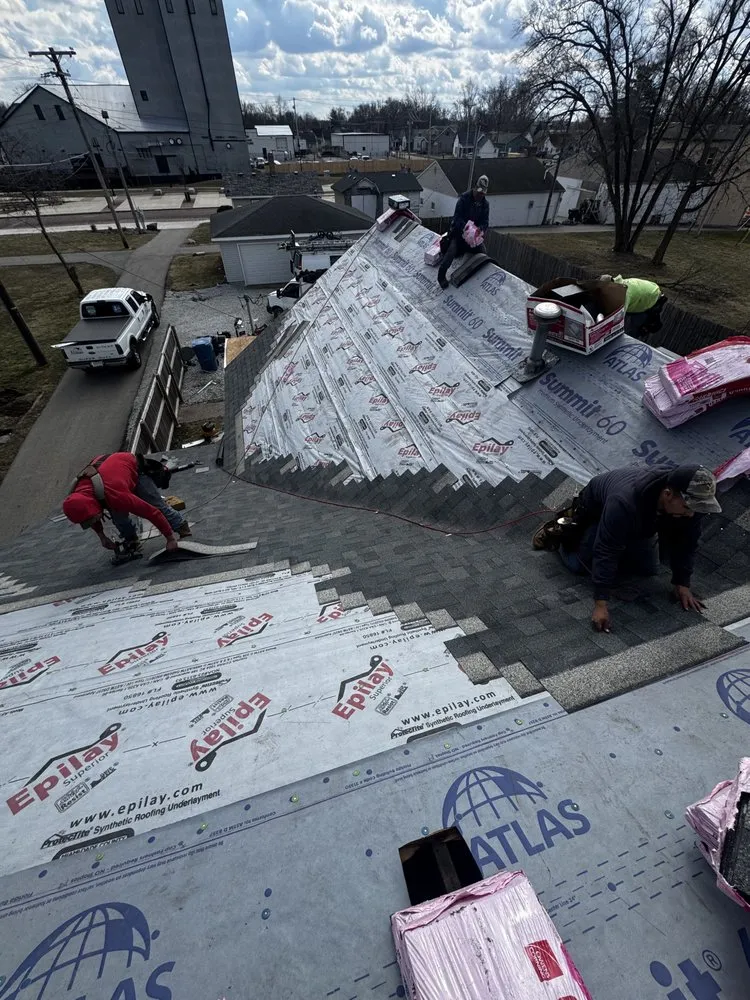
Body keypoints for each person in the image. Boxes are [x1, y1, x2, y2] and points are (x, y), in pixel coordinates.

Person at [533, 465, 721, 633]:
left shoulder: (690, 506)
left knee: (648, 569)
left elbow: (687, 544)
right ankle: (560, 532)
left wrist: (682, 584)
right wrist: (601, 603)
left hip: (639, 521)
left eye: (695, 509)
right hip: (597, 511)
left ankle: (625, 538)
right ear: (668, 494)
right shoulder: (624, 502)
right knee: (578, 565)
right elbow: (606, 549)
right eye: (687, 507)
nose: (691, 514)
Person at [63, 452, 191, 554]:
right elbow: (89, 515)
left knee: (156, 504)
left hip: (133, 468)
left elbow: (152, 513)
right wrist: (102, 536)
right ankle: (132, 540)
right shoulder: (81, 496)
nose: (93, 520)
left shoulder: (115, 495)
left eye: (92, 518)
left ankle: (181, 527)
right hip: (112, 473)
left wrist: (170, 539)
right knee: (119, 518)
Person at [437, 175, 490, 289]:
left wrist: (480, 229)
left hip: (474, 238)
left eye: (482, 194)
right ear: (474, 188)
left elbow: (485, 222)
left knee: (483, 254)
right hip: (459, 234)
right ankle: (441, 276)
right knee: (450, 253)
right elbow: (456, 218)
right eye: (479, 193)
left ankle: (478, 277)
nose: (480, 196)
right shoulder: (464, 199)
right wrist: (466, 228)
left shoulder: (485, 205)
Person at [599, 274, 666, 339]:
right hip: (648, 290)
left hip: (651, 298)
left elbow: (618, 318)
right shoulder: (617, 283)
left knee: (633, 329)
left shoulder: (624, 294)